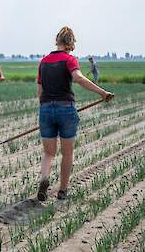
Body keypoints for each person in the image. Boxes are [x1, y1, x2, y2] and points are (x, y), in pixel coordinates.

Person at [37, 26, 114, 201]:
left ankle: (44, 180)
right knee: (67, 153)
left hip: (46, 109)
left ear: (57, 41)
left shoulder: (43, 62)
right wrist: (102, 93)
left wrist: (45, 111)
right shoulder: (69, 59)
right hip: (65, 108)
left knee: (49, 152)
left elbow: (39, 91)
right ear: (71, 43)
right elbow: (78, 78)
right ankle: (62, 191)